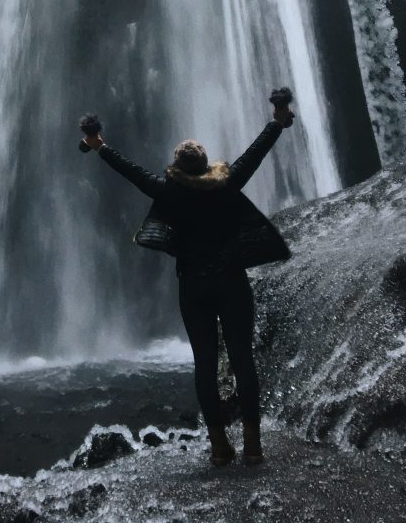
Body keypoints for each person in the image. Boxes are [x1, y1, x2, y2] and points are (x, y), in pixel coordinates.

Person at [81, 100, 294, 466]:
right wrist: (276, 122)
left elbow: (129, 171)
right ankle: (253, 445)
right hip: (231, 282)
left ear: (178, 168)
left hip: (193, 287)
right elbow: (255, 153)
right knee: (243, 360)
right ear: (207, 163)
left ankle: (218, 446)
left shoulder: (169, 192)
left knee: (205, 365)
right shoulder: (227, 184)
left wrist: (98, 144)